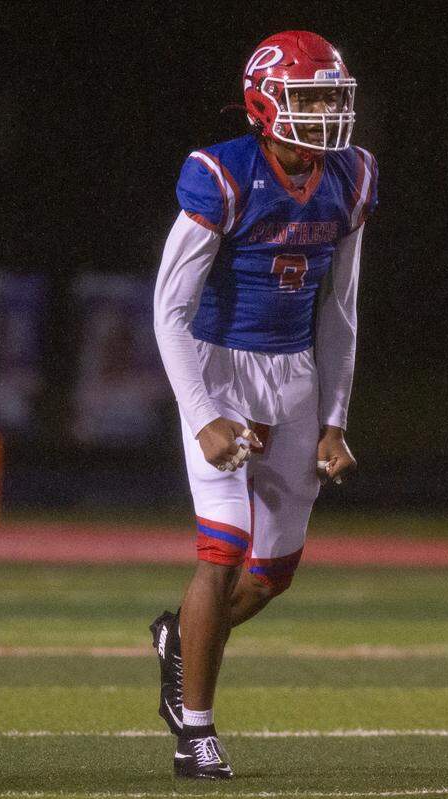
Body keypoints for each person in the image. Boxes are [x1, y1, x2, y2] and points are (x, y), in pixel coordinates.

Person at [149, 30, 377, 779]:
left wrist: (336, 417)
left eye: (330, 98)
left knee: (272, 570)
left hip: (296, 376)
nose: (322, 112)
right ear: (264, 103)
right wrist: (203, 411)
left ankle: (179, 641)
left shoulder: (351, 177)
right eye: (308, 97)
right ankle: (197, 730)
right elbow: (168, 310)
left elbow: (339, 310)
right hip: (219, 368)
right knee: (221, 549)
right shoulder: (222, 173)